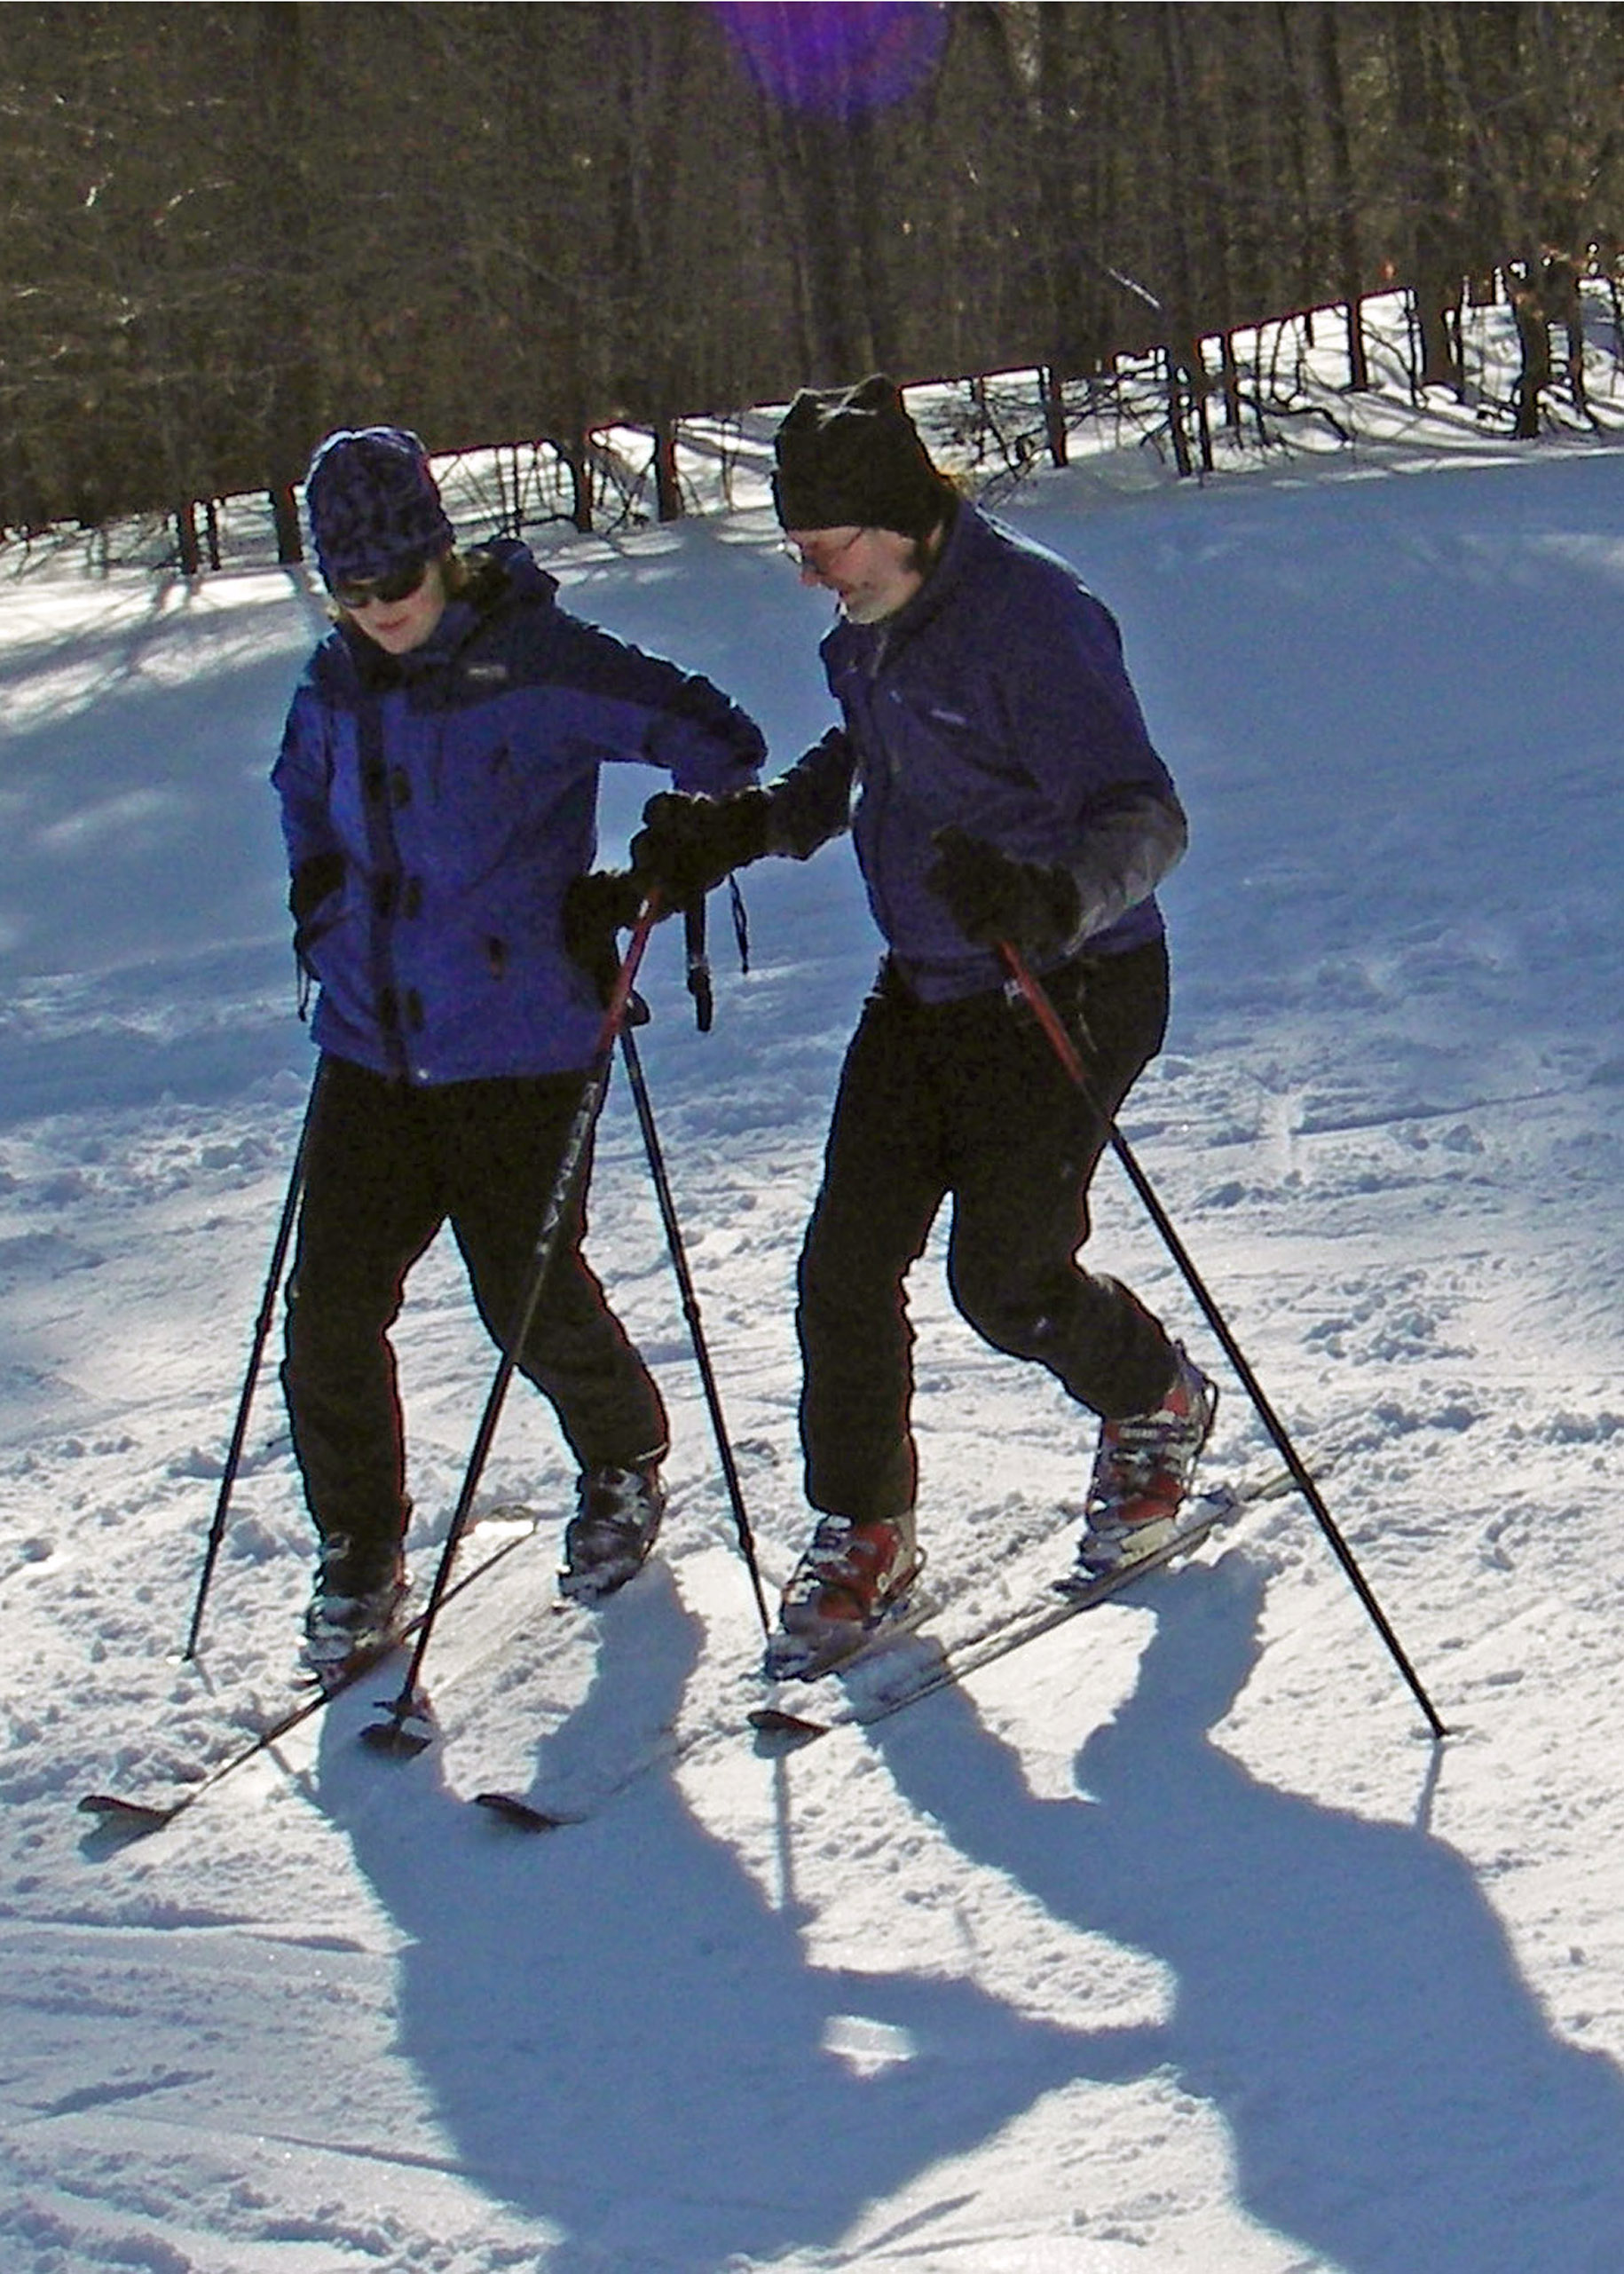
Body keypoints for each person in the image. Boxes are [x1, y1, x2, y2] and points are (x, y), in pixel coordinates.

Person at [627, 375, 1216, 1679]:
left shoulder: (1032, 622)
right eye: (797, 551)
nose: (808, 576)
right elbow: (867, 756)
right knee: (842, 1269)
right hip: (930, 982)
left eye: (822, 547)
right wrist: (752, 824)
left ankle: (1157, 1403)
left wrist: (1051, 893)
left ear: (900, 519)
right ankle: (865, 1530)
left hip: (1068, 984)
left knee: (1003, 1279)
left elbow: (1144, 815)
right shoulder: (873, 614)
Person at [272, 425, 765, 1678]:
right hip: (370, 1047)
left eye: (397, 582)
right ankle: (359, 1553)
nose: (378, 610)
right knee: (327, 1313)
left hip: (523, 1042)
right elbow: (300, 794)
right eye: (352, 589)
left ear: (441, 556)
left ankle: (620, 1455)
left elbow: (718, 737)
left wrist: (672, 841)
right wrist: (319, 905)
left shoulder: (535, 661)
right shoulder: (333, 683)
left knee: (524, 1294)